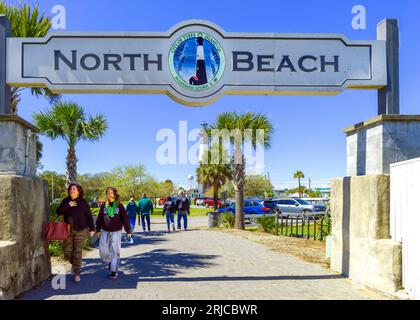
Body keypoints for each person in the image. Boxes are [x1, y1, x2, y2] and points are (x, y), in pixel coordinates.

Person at [56, 183, 95, 283]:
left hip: (81, 230)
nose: (72, 190)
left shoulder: (83, 202)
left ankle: (77, 273)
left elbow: (89, 216)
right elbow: (59, 211)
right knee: (67, 251)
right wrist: (68, 205)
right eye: (70, 189)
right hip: (67, 230)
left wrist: (92, 229)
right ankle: (76, 265)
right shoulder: (66, 201)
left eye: (74, 189)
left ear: (78, 191)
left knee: (77, 252)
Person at [96, 187, 131, 279]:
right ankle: (110, 261)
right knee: (103, 249)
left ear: (115, 195)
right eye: (108, 193)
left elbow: (125, 219)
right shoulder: (104, 205)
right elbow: (100, 218)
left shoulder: (119, 205)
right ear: (107, 194)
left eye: (112, 193)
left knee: (114, 251)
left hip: (116, 231)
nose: (110, 195)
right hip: (105, 231)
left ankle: (113, 271)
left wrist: (128, 231)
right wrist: (98, 229)